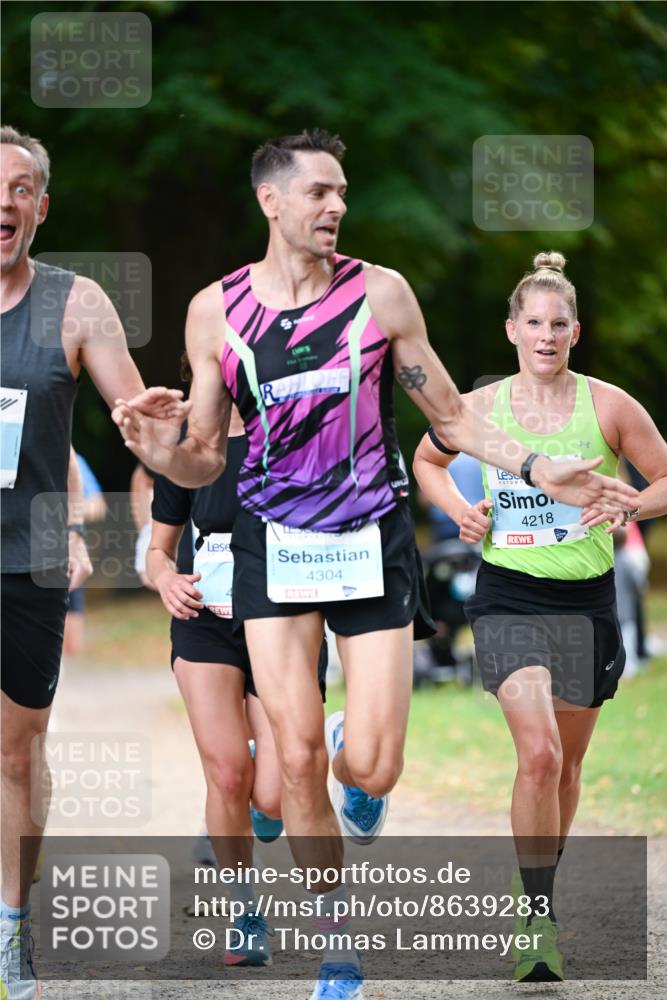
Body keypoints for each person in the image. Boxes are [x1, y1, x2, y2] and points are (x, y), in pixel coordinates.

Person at [113, 133, 638, 999]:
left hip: (369, 539)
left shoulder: (380, 295)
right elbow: (206, 456)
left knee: (374, 767)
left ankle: (352, 752)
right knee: (290, 757)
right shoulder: (217, 311)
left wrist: (539, 468)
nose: (335, 208)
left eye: (343, 194)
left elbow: (451, 419)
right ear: (270, 201)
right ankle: (337, 946)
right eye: (319, 192)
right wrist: (159, 450)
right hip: (275, 547)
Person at [414, 251, 667, 983]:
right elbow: (424, 461)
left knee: (568, 766)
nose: (546, 334)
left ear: (575, 332)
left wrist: (618, 503)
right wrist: (460, 512)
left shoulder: (610, 406)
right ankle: (534, 918)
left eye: (558, 323)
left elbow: (663, 479)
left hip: (585, 601)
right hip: (507, 596)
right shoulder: (480, 410)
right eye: (533, 322)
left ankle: (542, 898)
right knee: (540, 755)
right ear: (511, 331)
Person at [0, 125, 185, 1000]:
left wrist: (153, 421)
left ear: (42, 205)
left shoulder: (76, 305)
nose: (4, 200)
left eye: (21, 187)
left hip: (25, 559)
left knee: (15, 753)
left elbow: (139, 421)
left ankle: (9, 925)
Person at [62, 452, 107, 657]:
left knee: (70, 644)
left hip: (65, 559)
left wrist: (63, 512)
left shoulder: (73, 459)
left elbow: (98, 506)